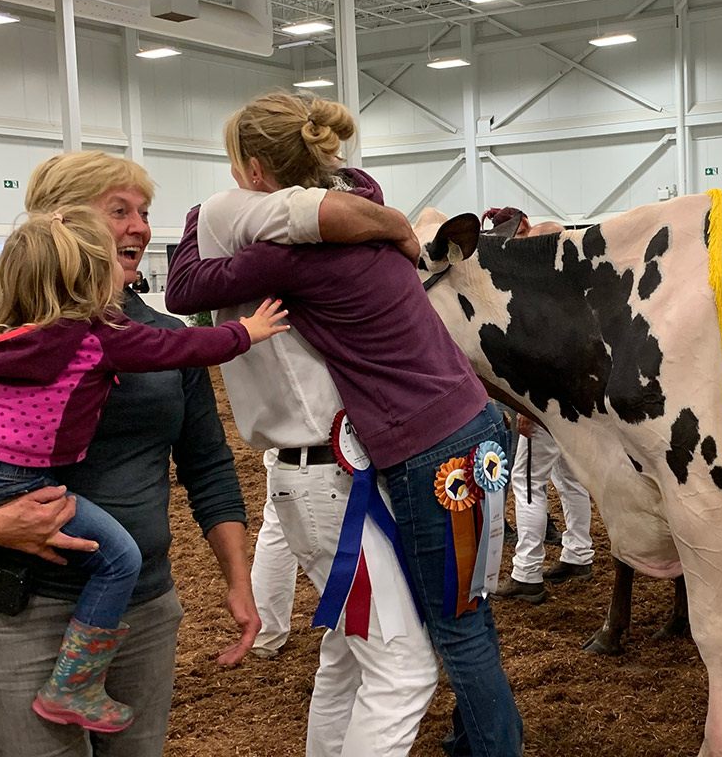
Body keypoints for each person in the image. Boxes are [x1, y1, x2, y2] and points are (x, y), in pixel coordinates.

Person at [166, 92, 522, 757]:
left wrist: (209, 210)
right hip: (465, 424)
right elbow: (356, 189)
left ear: (250, 172)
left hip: (409, 448)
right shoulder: (368, 206)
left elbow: (183, 287)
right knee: (434, 627)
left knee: (429, 647)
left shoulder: (283, 259)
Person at [0, 150, 261, 757]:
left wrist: (238, 579)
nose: (139, 225)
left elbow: (208, 466)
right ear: (62, 222)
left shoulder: (165, 341)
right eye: (120, 210)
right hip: (15, 607)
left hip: (141, 606)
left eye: (144, 211)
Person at [195, 97, 438, 756]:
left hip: (322, 473)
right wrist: (389, 221)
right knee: (404, 667)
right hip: (332, 474)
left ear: (250, 166)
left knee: (350, 655)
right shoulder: (244, 218)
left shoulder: (236, 231)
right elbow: (336, 203)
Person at [494, 414, 594, 604]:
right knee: (570, 478)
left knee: (528, 480)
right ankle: (578, 554)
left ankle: (527, 571)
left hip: (544, 406)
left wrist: (527, 411)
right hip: (572, 407)